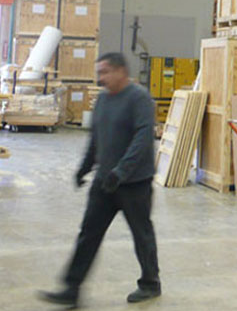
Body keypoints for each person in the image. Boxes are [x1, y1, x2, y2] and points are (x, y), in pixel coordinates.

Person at [39, 53, 161, 307]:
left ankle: (150, 284)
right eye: (99, 72)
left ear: (121, 72)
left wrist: (121, 172)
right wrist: (83, 169)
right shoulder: (103, 100)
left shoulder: (139, 99)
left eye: (105, 72)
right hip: (105, 183)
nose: (100, 78)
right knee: (88, 235)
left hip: (133, 184)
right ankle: (71, 289)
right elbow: (96, 139)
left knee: (142, 235)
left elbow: (142, 141)